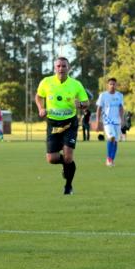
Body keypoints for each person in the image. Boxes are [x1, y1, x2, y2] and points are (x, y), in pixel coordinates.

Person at [35, 56, 89, 195]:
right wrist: (41, 108)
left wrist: (81, 105)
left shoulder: (76, 84)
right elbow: (38, 96)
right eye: (58, 66)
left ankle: (68, 186)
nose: (61, 68)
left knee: (68, 157)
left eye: (64, 66)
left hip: (69, 123)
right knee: (52, 159)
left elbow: (86, 103)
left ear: (68, 68)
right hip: (52, 123)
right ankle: (66, 165)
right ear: (54, 68)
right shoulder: (46, 82)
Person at [95, 78, 124, 167]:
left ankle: (111, 159)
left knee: (115, 141)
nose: (112, 86)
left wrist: (122, 119)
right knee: (111, 137)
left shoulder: (119, 95)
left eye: (114, 84)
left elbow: (121, 108)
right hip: (107, 121)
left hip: (117, 121)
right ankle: (109, 158)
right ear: (108, 85)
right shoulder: (103, 95)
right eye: (110, 84)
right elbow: (99, 109)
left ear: (116, 85)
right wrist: (97, 122)